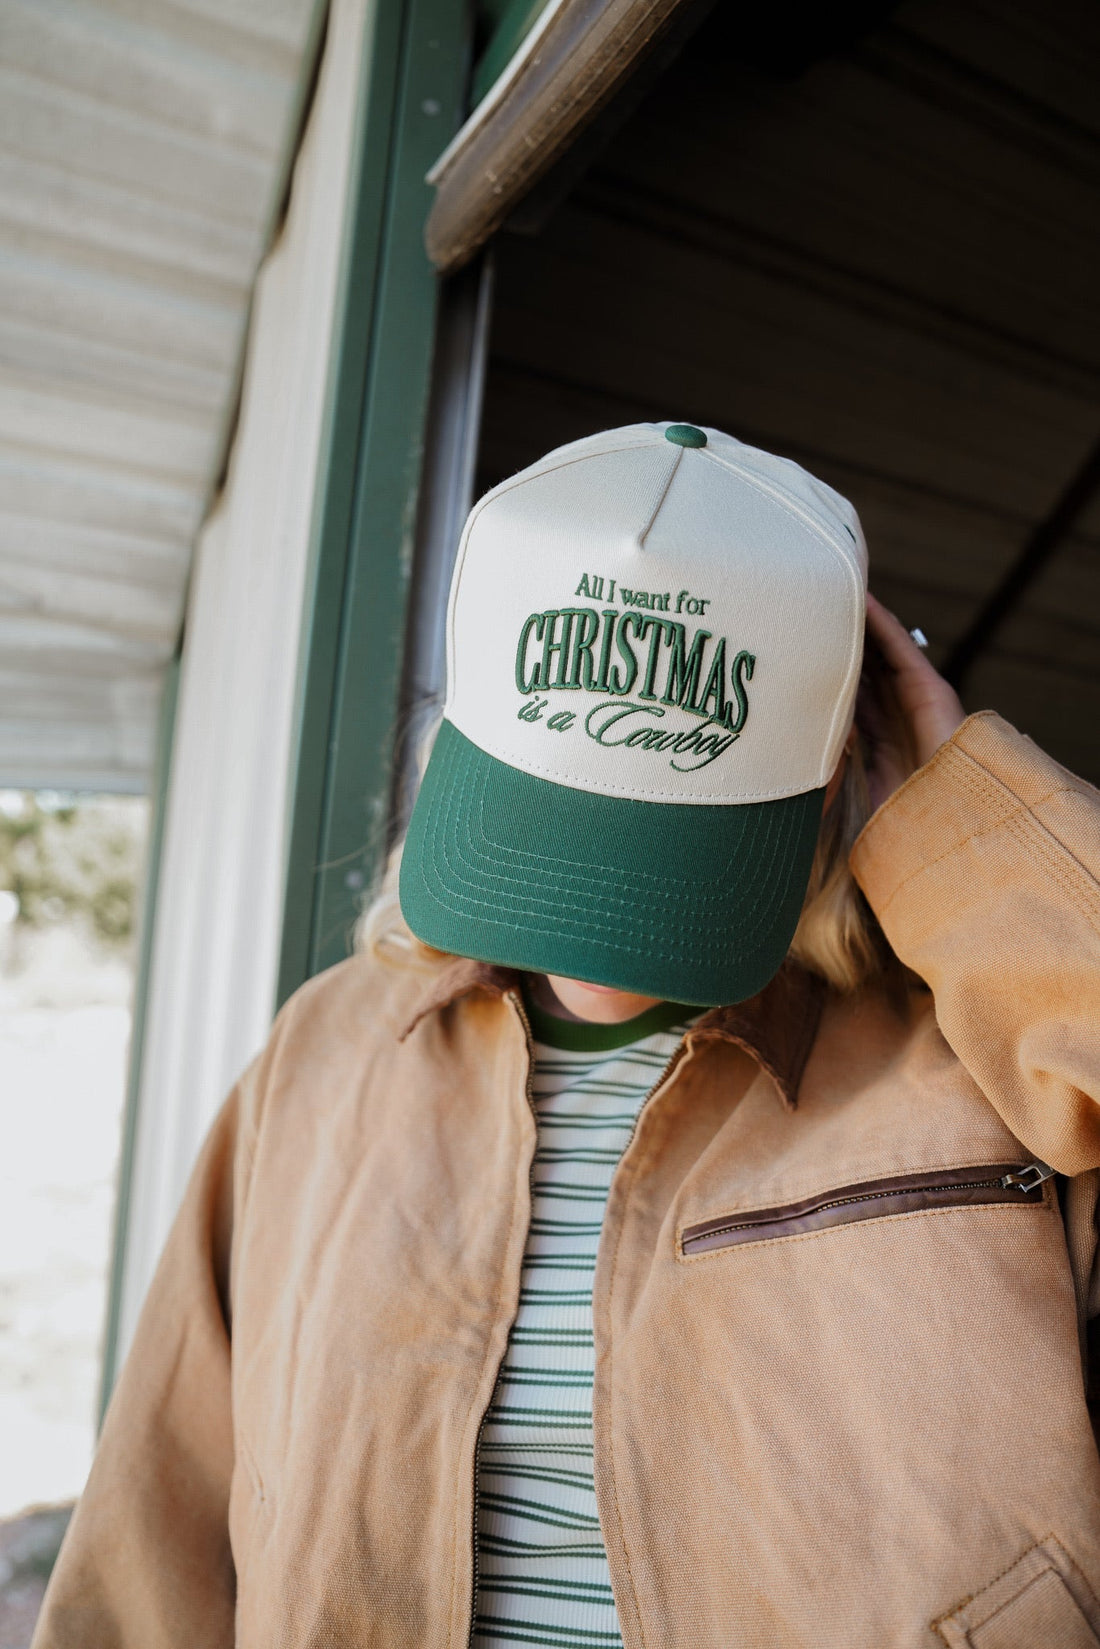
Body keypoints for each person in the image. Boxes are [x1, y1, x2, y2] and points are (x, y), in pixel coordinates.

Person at [33, 424, 1100, 1649]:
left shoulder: (966, 1056)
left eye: (672, 849)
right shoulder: (325, 1053)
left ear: (837, 769)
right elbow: (157, 1521)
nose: (591, 931)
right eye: (549, 824)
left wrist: (957, 815)